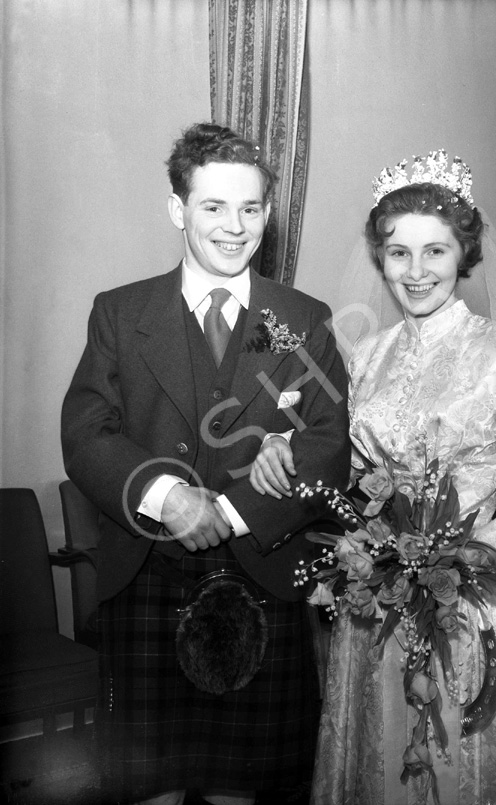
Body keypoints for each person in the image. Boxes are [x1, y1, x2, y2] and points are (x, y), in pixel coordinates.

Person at [249, 151, 496, 804]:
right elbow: (349, 466)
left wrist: (489, 543)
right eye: (399, 252)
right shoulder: (367, 356)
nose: (416, 270)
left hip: (473, 606)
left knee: (458, 768)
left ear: (464, 252)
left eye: (435, 251)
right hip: (374, 606)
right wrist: (286, 444)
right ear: (381, 258)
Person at [61, 122, 350, 805]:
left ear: (268, 213)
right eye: (213, 206)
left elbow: (329, 441)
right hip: (146, 572)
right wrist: (167, 498)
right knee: (148, 783)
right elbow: (85, 431)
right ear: (177, 209)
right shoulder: (120, 312)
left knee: (239, 786)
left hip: (263, 568)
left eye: (250, 208)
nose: (234, 226)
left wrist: (226, 510)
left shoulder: (299, 321)